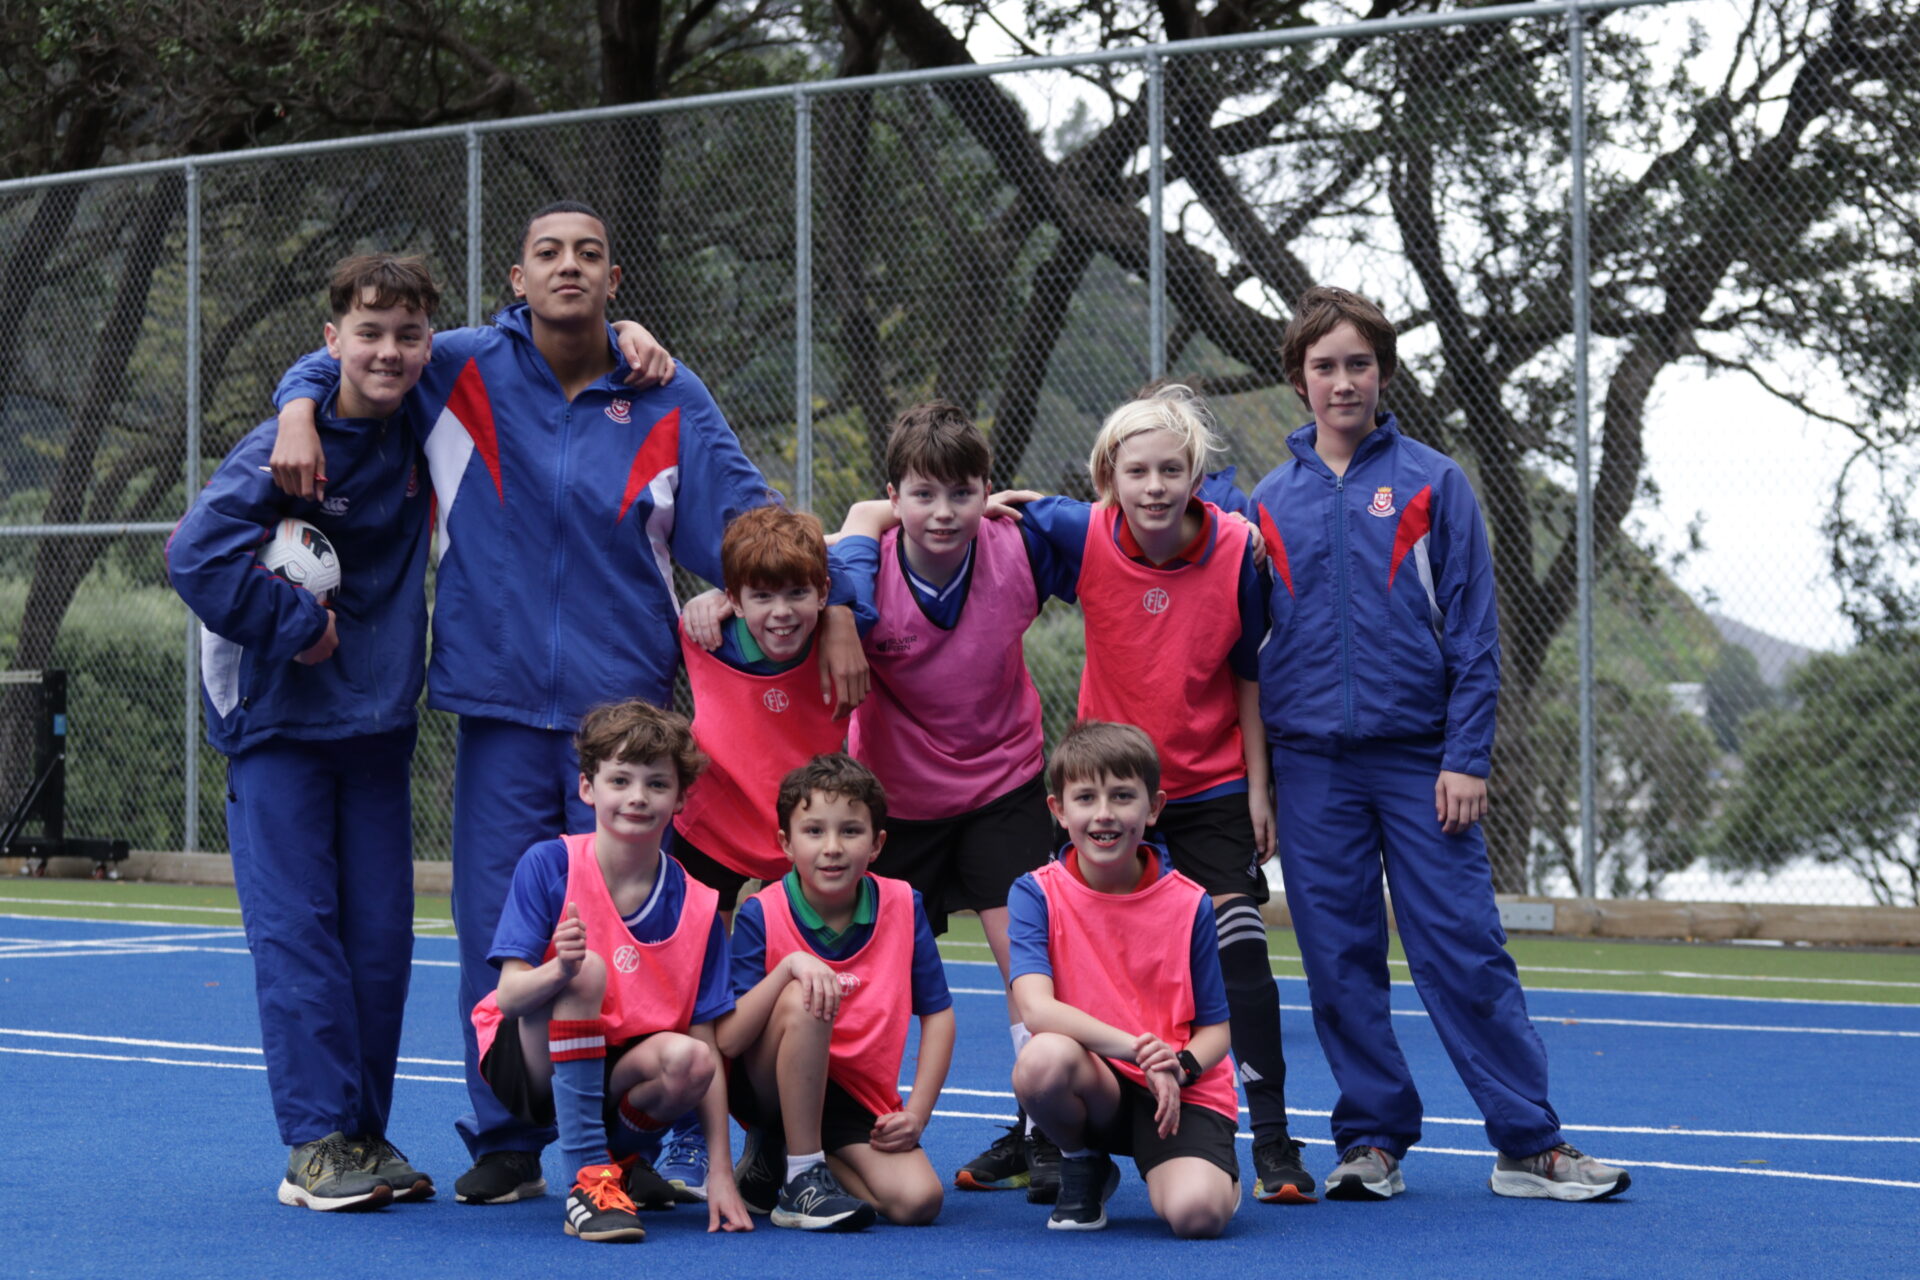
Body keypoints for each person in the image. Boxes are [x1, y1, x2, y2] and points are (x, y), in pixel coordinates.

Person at [265, 201, 868, 1205]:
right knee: (499, 931)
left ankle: (624, 1143)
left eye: (589, 253)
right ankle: (506, 1136)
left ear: (615, 277)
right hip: (496, 703)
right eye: (549, 252)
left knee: (634, 936)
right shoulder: (456, 367)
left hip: (627, 717)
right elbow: (347, 354)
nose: (569, 266)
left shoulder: (665, 391)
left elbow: (757, 531)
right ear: (517, 277)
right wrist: (294, 407)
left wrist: (839, 602)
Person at [1250, 284, 1630, 1203]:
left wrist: (1465, 756)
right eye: (1325, 366)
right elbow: (1246, 661)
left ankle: (1529, 1144)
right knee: (1339, 960)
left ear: (1383, 372)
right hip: (1309, 770)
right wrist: (1259, 787)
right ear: (1300, 382)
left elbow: (1474, 635)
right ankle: (1372, 1141)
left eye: (1359, 364)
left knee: (1464, 949)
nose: (1343, 382)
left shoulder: (1434, 482)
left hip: (1424, 763)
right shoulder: (1264, 504)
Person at [167, 253, 439, 1210]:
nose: (389, 350)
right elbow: (193, 555)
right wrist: (296, 625)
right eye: (368, 333)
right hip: (279, 724)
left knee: (379, 941)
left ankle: (362, 1133)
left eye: (408, 334)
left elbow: (526, 341)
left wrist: (627, 336)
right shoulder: (287, 441)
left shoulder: (426, 423)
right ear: (332, 343)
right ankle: (315, 1144)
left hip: (377, 724)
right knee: (299, 936)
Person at [1002, 385, 1312, 1203]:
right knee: (1061, 959)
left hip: (1208, 786)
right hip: (1106, 792)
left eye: (1172, 469)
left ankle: (1273, 1138)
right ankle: (1051, 1134)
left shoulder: (1238, 548)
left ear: (1197, 475)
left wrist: (1258, 783)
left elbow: (1248, 672)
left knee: (1239, 949)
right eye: (1135, 470)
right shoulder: (1078, 530)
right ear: (1109, 476)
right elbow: (985, 519)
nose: (1154, 486)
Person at [821, 403, 1073, 1199]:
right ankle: (833, 1126)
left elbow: (1129, 536)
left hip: (1004, 785)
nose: (942, 513)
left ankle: (1047, 1132)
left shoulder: (1022, 548)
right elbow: (765, 579)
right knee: (867, 971)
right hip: (898, 802)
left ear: (987, 493)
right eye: (923, 494)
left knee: (1031, 965)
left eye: (961, 494)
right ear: (893, 497)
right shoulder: (857, 564)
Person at [470, 699, 752, 1242]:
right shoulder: (550, 865)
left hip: (616, 1069)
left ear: (680, 799)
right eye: (619, 780)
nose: (637, 798)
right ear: (587, 788)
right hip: (531, 1061)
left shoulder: (698, 905)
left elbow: (706, 1045)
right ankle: (588, 1181)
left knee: (692, 1061)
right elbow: (508, 998)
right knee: (585, 970)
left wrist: (721, 1170)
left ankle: (618, 1163)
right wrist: (559, 970)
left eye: (656, 784)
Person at [1006, 720, 1241, 1237]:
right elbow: (1037, 1010)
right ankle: (1083, 1159)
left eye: (1122, 796)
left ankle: (1214, 1171)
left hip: (1178, 1086)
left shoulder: (1189, 902)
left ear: (1153, 807)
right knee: (1041, 1060)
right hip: (1101, 1082)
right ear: (1058, 810)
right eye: (1086, 797)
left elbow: (1217, 1032)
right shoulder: (1034, 895)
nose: (1104, 813)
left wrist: (1176, 1066)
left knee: (1197, 1217)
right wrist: (1140, 1052)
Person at [718, 754, 954, 1232]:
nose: (832, 847)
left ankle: (788, 1161)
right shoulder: (763, 912)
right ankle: (803, 1177)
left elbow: (939, 1014)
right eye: (814, 832)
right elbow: (728, 1040)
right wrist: (789, 968)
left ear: (877, 843)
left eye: (850, 831)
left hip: (853, 1096)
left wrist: (918, 1114)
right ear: (786, 842)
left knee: (918, 1202)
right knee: (807, 994)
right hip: (767, 1085)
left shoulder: (903, 905)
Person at [673, 505, 854, 914]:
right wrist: (708, 597)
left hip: (806, 830)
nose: (782, 611)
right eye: (762, 595)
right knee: (702, 961)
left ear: (824, 592)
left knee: (799, 967)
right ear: (735, 601)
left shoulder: (847, 640)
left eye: (797, 592)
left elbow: (874, 534)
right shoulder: (702, 634)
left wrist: (981, 508)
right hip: (712, 826)